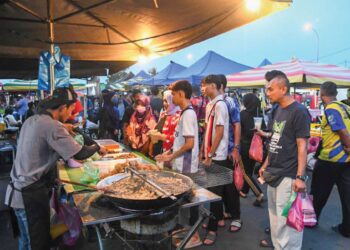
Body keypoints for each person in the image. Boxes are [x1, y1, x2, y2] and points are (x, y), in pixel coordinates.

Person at [5, 87, 106, 250]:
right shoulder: (52, 126)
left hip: (16, 193)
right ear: (62, 108)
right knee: (36, 244)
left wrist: (64, 127)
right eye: (70, 110)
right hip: (29, 197)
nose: (70, 115)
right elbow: (80, 153)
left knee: (25, 242)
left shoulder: (32, 120)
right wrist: (96, 147)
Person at [258, 70, 310, 250]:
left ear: (283, 88)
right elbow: (275, 138)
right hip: (274, 171)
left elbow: (302, 145)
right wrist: (265, 164)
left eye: (271, 89)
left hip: (289, 175)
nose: (267, 93)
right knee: (275, 216)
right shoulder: (278, 109)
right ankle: (278, 246)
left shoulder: (300, 111)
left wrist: (300, 177)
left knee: (288, 219)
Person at [155, 80, 201, 248]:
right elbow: (179, 141)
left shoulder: (188, 114)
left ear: (181, 94)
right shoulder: (184, 113)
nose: (171, 97)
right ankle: (188, 231)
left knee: (190, 202)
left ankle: (195, 236)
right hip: (180, 164)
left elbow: (189, 143)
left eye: (173, 94)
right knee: (183, 202)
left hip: (186, 166)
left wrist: (171, 156)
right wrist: (167, 154)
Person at [199, 75, 237, 245]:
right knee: (215, 191)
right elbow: (209, 131)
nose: (202, 89)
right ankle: (218, 218)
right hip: (211, 153)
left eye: (204, 86)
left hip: (218, 156)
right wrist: (203, 150)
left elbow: (220, 132)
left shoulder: (221, 105)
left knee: (214, 193)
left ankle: (213, 229)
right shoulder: (210, 104)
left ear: (213, 86)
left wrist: (210, 155)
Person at [311, 81, 350, 238]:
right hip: (346, 161)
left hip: (330, 159)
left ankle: (311, 220)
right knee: (347, 196)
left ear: (321, 94)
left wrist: (348, 144)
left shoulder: (331, 108)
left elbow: (340, 129)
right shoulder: (346, 107)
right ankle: (347, 229)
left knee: (318, 192)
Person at [217, 74, 243, 228]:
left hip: (228, 150)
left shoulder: (229, 102)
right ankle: (227, 212)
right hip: (218, 152)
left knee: (231, 186)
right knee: (221, 184)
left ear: (220, 86)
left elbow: (237, 125)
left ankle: (236, 217)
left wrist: (235, 148)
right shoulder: (213, 102)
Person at [240, 93, 265, 205]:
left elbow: (239, 132)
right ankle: (244, 191)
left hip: (245, 147)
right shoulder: (259, 116)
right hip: (256, 148)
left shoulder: (243, 115)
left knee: (244, 172)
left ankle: (258, 193)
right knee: (249, 171)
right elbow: (263, 132)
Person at [149, 90, 181, 157]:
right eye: (163, 101)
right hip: (159, 151)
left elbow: (178, 139)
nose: (164, 104)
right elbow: (159, 129)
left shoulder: (179, 116)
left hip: (171, 154)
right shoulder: (164, 114)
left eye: (166, 101)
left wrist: (160, 137)